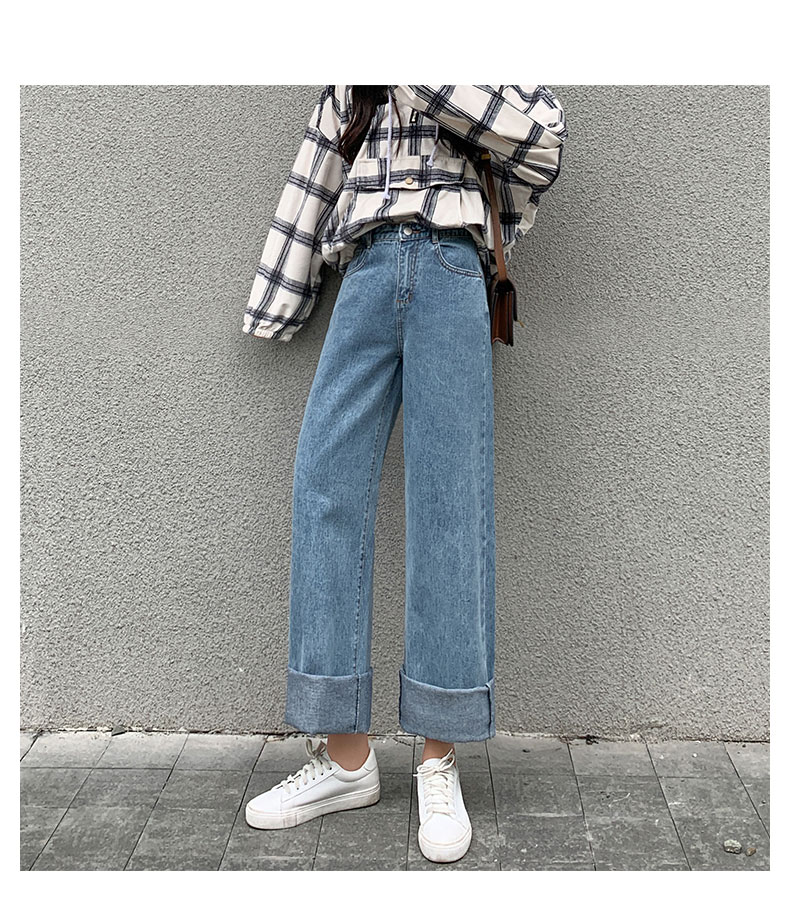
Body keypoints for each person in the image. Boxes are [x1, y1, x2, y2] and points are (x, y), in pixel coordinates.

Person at [241, 85, 568, 863]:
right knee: (325, 486)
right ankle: (346, 760)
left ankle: (438, 760)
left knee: (450, 505)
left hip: (453, 265)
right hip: (363, 268)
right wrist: (276, 298)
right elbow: (317, 171)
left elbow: (544, 142)